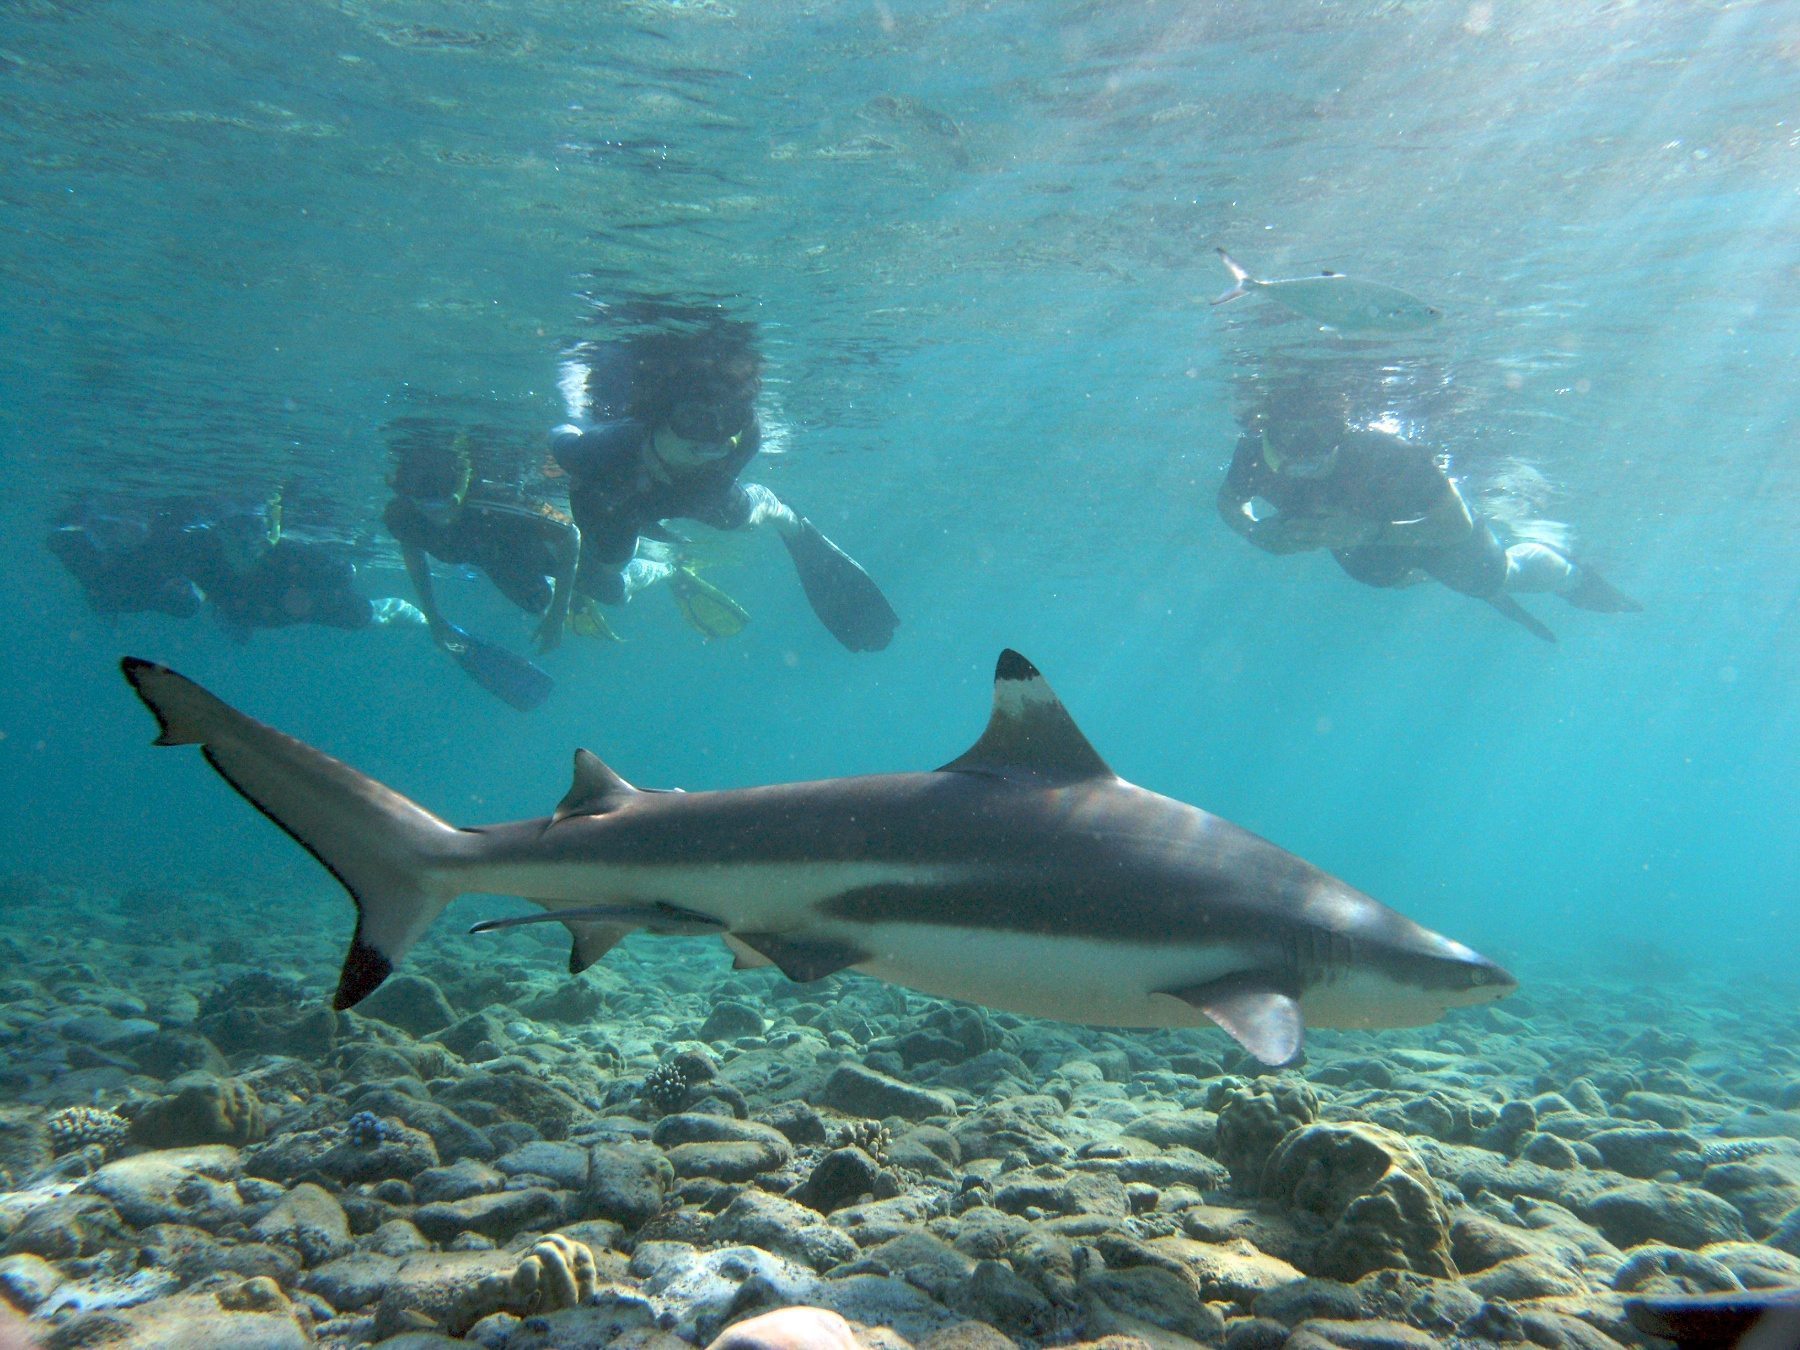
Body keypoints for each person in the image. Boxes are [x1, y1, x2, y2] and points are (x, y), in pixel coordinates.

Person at [549, 304, 899, 652]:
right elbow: (560, 435)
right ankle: (662, 570)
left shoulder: (741, 441)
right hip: (615, 502)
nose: (715, 441)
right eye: (695, 422)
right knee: (611, 586)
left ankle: (786, 518)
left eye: (732, 420)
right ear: (657, 421)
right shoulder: (602, 451)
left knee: (742, 519)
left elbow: (725, 465)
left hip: (696, 496)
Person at [1217, 386, 1640, 642]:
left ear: (1342, 429)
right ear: (1269, 434)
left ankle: (1571, 576)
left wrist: (1368, 533)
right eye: (1292, 436)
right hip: (1374, 560)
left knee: (1492, 577)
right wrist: (1255, 533)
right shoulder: (1255, 457)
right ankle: (1457, 582)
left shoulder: (1386, 454)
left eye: (1321, 433)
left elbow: (1454, 527)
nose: (1307, 450)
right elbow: (1230, 503)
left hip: (1435, 535)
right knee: (1395, 578)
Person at [48, 493, 424, 638]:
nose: (246, 540)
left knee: (359, 616)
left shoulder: (294, 553)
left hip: (287, 604)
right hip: (242, 605)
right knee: (230, 614)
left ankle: (407, 615)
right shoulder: (200, 547)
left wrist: (313, 597)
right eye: (235, 529)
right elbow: (165, 579)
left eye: (254, 529)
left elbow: (344, 571)